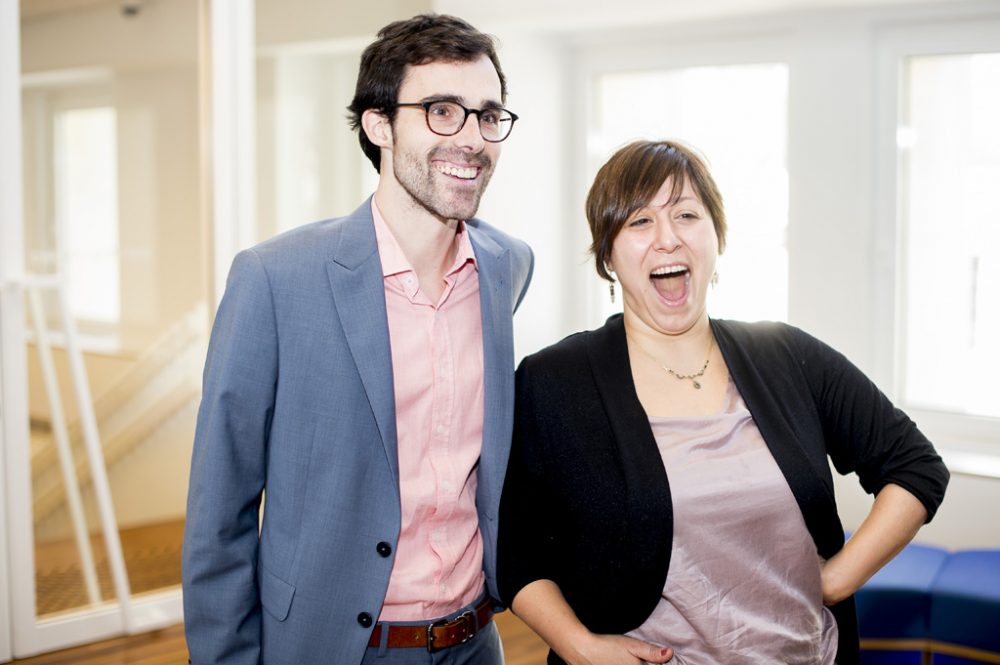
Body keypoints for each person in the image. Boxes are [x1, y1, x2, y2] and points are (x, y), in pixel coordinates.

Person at [496, 139, 948, 665]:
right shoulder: (554, 380)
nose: (667, 239)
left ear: (717, 237)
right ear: (608, 255)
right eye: (639, 222)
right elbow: (515, 545)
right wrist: (578, 646)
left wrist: (836, 579)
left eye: (686, 214)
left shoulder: (785, 355)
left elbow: (915, 466)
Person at [182, 14, 533, 665]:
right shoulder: (274, 279)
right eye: (442, 111)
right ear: (379, 125)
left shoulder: (507, 266)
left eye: (488, 115)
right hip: (337, 645)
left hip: (476, 642)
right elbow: (218, 511)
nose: (473, 138)